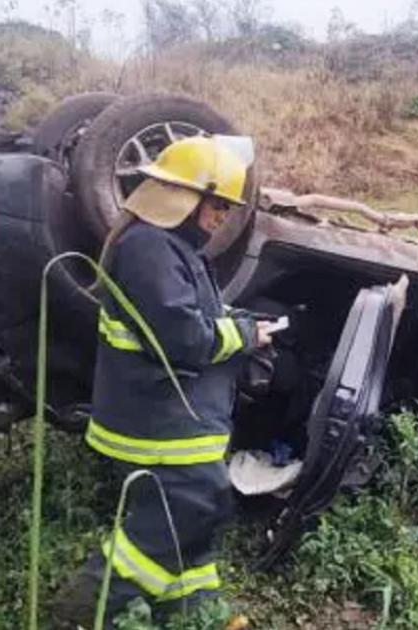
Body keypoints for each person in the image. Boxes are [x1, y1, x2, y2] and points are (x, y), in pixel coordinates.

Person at [53, 135, 272, 627]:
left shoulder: (174, 247)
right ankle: (88, 608)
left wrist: (238, 321)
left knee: (194, 518)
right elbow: (183, 339)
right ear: (185, 195)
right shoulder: (151, 247)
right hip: (160, 421)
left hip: (174, 414)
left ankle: (199, 613)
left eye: (227, 208)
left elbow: (189, 316)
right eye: (218, 204)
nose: (222, 217)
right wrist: (243, 334)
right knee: (192, 508)